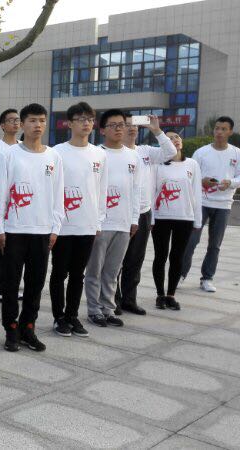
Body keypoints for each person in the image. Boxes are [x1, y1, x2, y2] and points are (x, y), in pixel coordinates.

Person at [0, 103, 63, 352]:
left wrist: (55, 227)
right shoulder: (10, 155)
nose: (38, 125)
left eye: (42, 120)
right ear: (22, 124)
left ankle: (28, 328)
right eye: (32, 120)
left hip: (42, 231)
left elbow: (58, 194)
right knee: (11, 284)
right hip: (14, 230)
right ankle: (11, 329)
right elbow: (0, 193)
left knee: (35, 284)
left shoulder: (54, 157)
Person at [49, 102, 106, 338]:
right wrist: (53, 223)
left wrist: (98, 221)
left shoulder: (99, 154)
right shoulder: (57, 153)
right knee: (59, 273)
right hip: (63, 225)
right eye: (81, 119)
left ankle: (72, 316)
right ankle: (59, 317)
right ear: (69, 123)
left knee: (78, 274)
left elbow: (102, 189)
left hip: (87, 224)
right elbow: (52, 189)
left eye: (90, 119)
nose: (86, 123)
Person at [114, 114, 176, 315]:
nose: (132, 128)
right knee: (115, 260)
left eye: (135, 125)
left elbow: (170, 152)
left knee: (135, 259)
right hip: (119, 212)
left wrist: (156, 130)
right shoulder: (110, 152)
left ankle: (129, 299)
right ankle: (112, 300)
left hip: (143, 212)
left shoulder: (146, 151)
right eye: (127, 125)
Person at [84, 109, 140, 329]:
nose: (118, 129)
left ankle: (108, 308)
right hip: (100, 223)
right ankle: (94, 310)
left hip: (123, 223)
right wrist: (94, 221)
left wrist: (134, 219)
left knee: (113, 270)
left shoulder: (133, 156)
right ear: (102, 130)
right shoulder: (96, 154)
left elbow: (136, 189)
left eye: (122, 125)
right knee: (95, 270)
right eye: (113, 125)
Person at [181, 116, 240, 293]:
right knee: (191, 241)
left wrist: (230, 183)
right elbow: (189, 174)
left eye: (223, 129)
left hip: (224, 205)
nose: (219, 132)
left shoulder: (237, 153)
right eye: (217, 128)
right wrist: (202, 180)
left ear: (230, 132)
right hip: (201, 202)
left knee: (215, 245)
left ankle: (207, 278)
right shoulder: (201, 152)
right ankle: (180, 274)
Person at [150, 130, 201, 310]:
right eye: (170, 138)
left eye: (177, 137)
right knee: (161, 256)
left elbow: (196, 193)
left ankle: (171, 295)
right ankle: (160, 295)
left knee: (177, 257)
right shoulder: (158, 165)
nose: (174, 140)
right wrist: (151, 218)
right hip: (161, 217)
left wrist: (197, 220)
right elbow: (152, 192)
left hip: (185, 218)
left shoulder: (192, 164)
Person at [0, 108, 21, 303]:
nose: (15, 123)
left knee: (15, 249)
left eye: (18, 120)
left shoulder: (22, 147)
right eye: (11, 120)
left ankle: (12, 285)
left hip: (17, 207)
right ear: (2, 125)